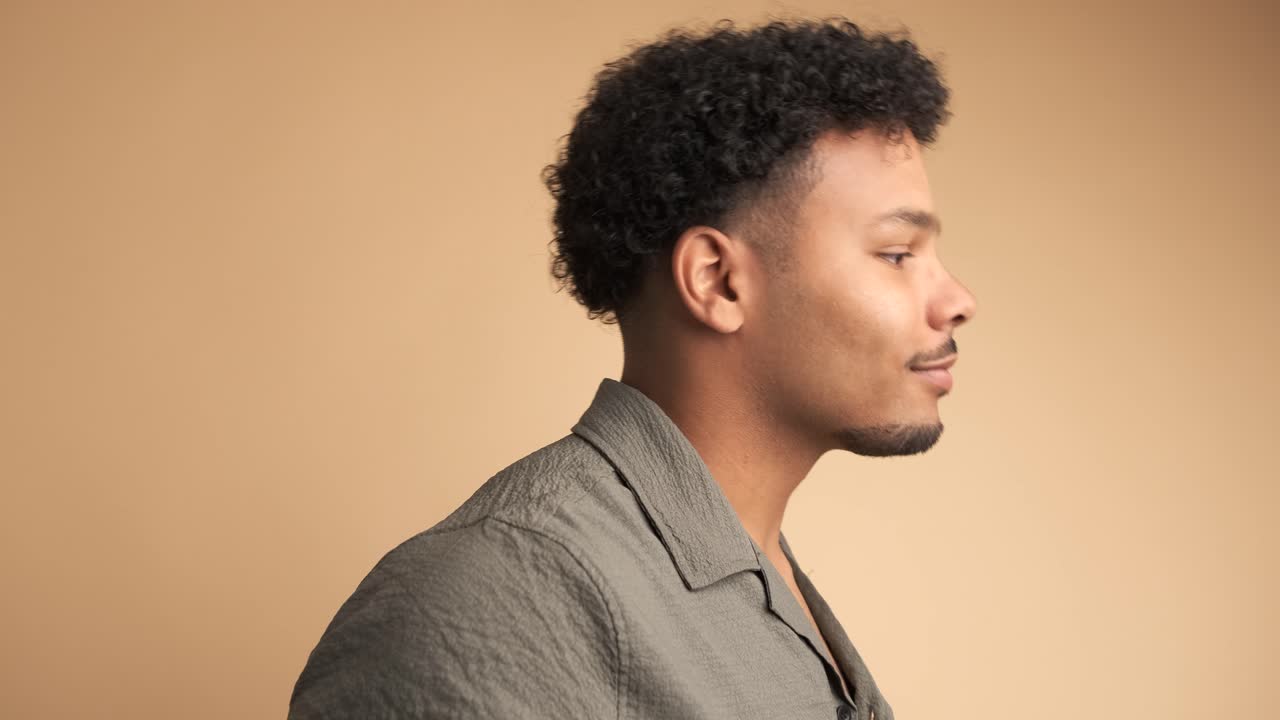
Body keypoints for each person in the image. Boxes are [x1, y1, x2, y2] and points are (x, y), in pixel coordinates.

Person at [289, 16, 976, 720]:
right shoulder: (494, 595)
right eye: (897, 254)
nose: (957, 301)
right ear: (717, 281)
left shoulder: (763, 582)